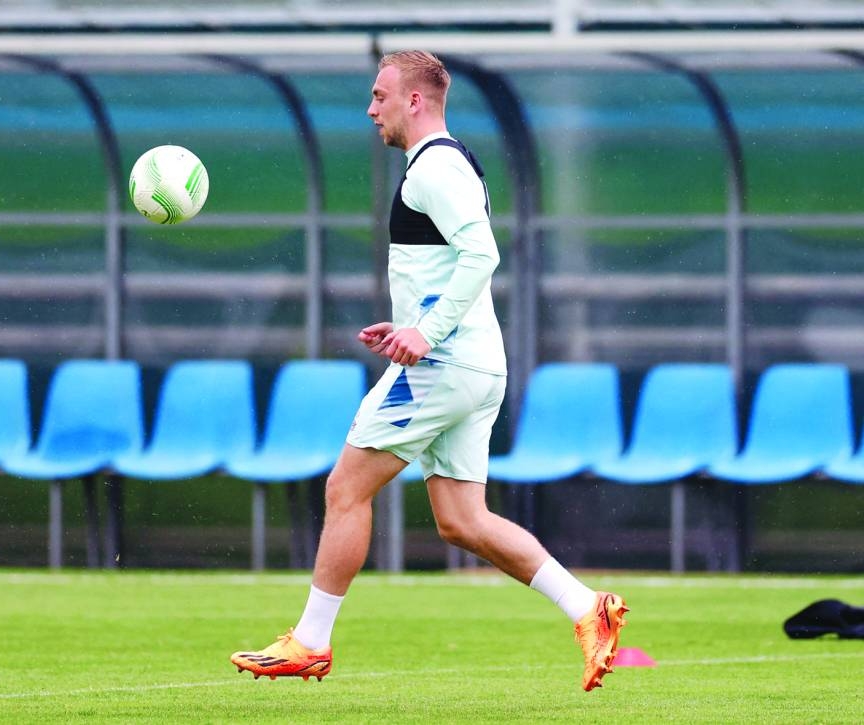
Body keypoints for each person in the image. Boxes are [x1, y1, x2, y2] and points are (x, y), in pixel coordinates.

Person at [231, 50, 628, 692]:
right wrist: (408, 321)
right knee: (462, 521)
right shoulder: (450, 162)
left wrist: (426, 330)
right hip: (474, 362)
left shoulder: (434, 168)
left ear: (414, 100)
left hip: (445, 363)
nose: (371, 109)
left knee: (344, 490)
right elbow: (453, 266)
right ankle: (588, 608)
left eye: (380, 96)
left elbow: (482, 254)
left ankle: (310, 641)